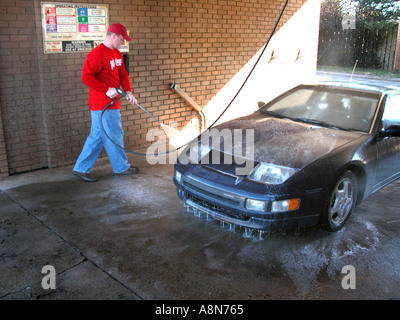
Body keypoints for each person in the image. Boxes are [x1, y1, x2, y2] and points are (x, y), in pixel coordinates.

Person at [73, 23, 139, 182]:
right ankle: (121, 167)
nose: (123, 43)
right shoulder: (96, 55)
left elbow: (123, 74)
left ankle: (81, 168)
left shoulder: (116, 54)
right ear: (114, 36)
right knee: (114, 134)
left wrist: (128, 91)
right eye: (122, 40)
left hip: (112, 103)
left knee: (97, 136)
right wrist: (105, 89)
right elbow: (86, 77)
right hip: (103, 104)